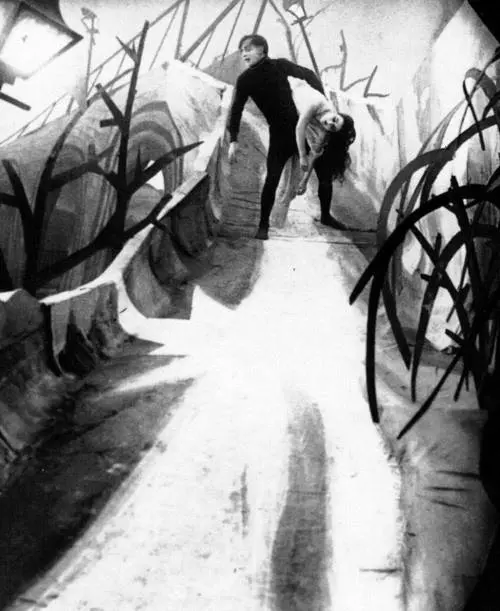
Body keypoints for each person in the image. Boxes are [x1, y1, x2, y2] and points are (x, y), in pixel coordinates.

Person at [228, 33, 356, 240]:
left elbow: (309, 74)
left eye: (248, 49)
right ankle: (263, 226)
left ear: (262, 50)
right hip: (280, 133)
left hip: (304, 127)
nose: (244, 54)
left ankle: (325, 216)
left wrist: (322, 101)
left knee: (324, 174)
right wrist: (233, 139)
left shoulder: (280, 65)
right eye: (242, 50)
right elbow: (236, 109)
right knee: (272, 178)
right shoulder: (245, 80)